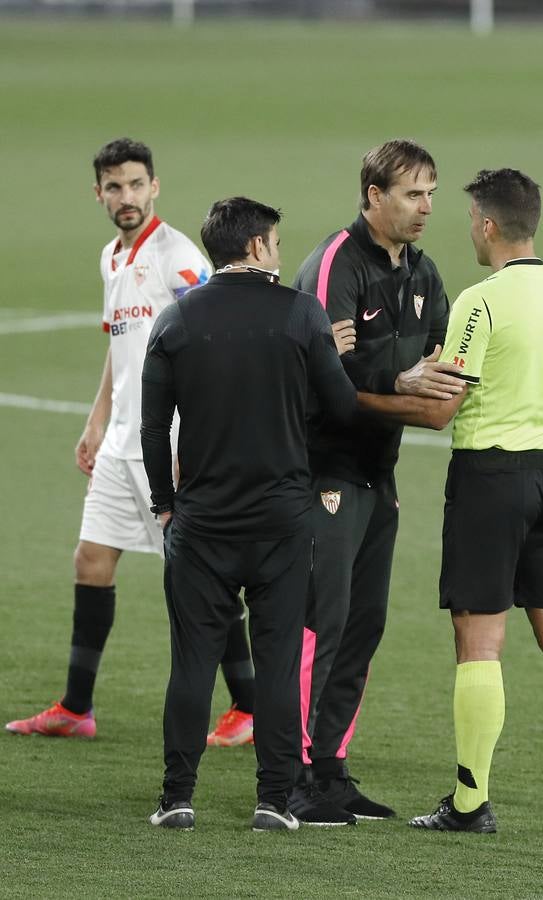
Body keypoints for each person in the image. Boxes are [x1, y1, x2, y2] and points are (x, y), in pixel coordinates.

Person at [360, 168, 543, 836]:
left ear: (485, 222)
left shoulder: (480, 302)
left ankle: (471, 802)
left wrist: (361, 395)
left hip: (491, 481)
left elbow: (444, 407)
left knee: (478, 640)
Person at [5, 138, 255, 745]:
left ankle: (250, 707)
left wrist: (194, 434)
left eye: (136, 184)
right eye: (113, 187)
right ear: (99, 193)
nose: (126, 197)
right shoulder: (111, 259)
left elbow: (216, 331)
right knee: (91, 561)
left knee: (201, 572)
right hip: (120, 443)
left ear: (155, 187)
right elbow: (120, 350)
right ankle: (76, 707)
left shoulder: (176, 257)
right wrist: (96, 421)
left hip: (167, 442)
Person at [141, 196, 358, 831]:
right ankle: (273, 801)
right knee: (279, 659)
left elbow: (154, 430)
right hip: (282, 524)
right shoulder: (300, 314)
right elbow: (342, 410)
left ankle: (177, 798)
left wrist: (164, 505)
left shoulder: (177, 320)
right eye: (277, 244)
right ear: (259, 247)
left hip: (202, 525)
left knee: (191, 665)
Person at [288, 138, 462, 825]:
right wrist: (402, 382)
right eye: (412, 194)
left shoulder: (423, 275)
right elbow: (329, 380)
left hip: (375, 474)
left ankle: (330, 769)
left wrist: (419, 387)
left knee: (364, 624)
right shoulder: (337, 265)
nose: (424, 208)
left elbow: (447, 365)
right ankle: (295, 774)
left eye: (431, 195)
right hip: (319, 471)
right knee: (316, 624)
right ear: (372, 196)